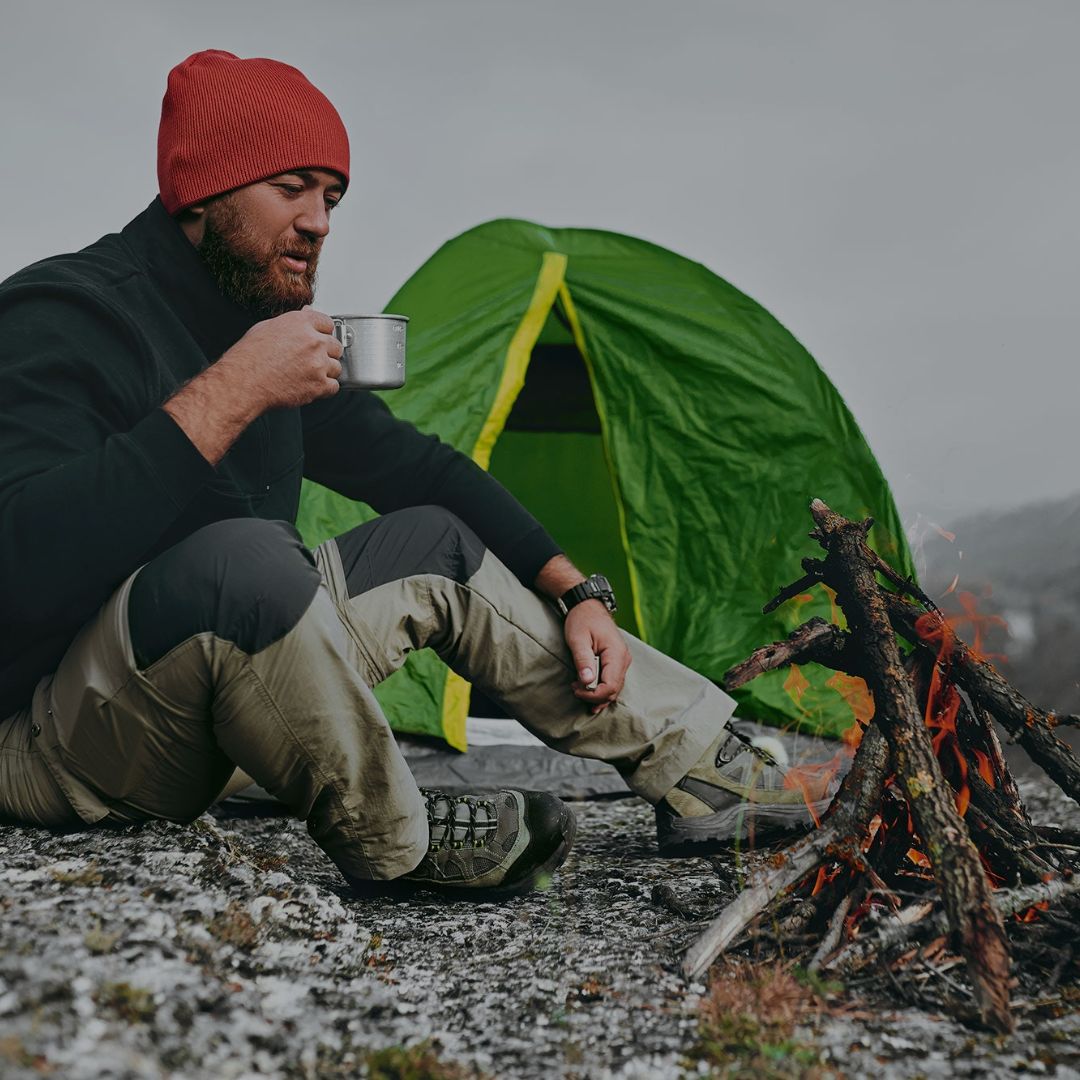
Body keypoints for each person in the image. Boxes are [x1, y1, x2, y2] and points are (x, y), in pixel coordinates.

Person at [0, 50, 834, 900]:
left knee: (429, 541)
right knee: (244, 558)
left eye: (332, 196)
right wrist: (235, 390)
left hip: (216, 710)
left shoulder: (259, 325)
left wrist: (576, 590)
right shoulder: (63, 316)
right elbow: (22, 568)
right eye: (291, 188)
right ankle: (398, 837)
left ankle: (699, 765)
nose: (320, 221)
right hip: (56, 742)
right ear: (201, 190)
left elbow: (416, 469)